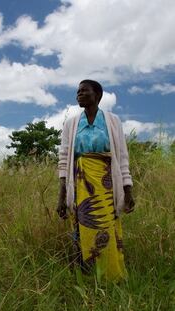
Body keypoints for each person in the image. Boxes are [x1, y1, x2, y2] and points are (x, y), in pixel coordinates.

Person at [57, 79, 135, 281]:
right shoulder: (71, 124)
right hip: (81, 186)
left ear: (97, 95)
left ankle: (111, 276)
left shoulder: (112, 121)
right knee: (82, 230)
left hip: (107, 187)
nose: (79, 94)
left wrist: (128, 191)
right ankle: (87, 278)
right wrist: (62, 196)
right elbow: (64, 160)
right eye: (77, 91)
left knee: (106, 227)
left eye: (84, 91)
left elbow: (122, 157)